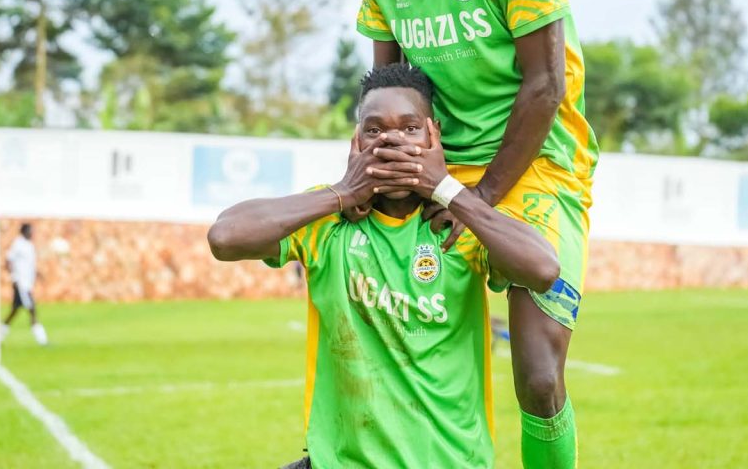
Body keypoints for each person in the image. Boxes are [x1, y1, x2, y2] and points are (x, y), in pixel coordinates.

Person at [356, 0, 599, 467]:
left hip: (538, 163)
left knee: (540, 374)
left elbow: (545, 85)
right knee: (386, 335)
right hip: (438, 166)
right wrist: (373, 182)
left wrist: (477, 198)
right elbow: (391, 90)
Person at [207, 64, 558, 468]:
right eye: (374, 130)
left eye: (410, 128)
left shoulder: (459, 224)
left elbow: (543, 268)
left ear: (434, 135)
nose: (391, 140)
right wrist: (342, 192)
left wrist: (448, 191)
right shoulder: (329, 219)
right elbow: (225, 236)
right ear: (355, 141)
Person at [1, 222, 48, 345]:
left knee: (14, 311)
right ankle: (42, 340)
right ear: (25, 231)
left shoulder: (29, 246)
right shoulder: (18, 244)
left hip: (27, 283)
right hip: (21, 284)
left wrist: (38, 274)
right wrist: (14, 277)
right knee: (32, 309)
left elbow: (28, 265)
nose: (32, 233)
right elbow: (8, 260)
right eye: (31, 231)